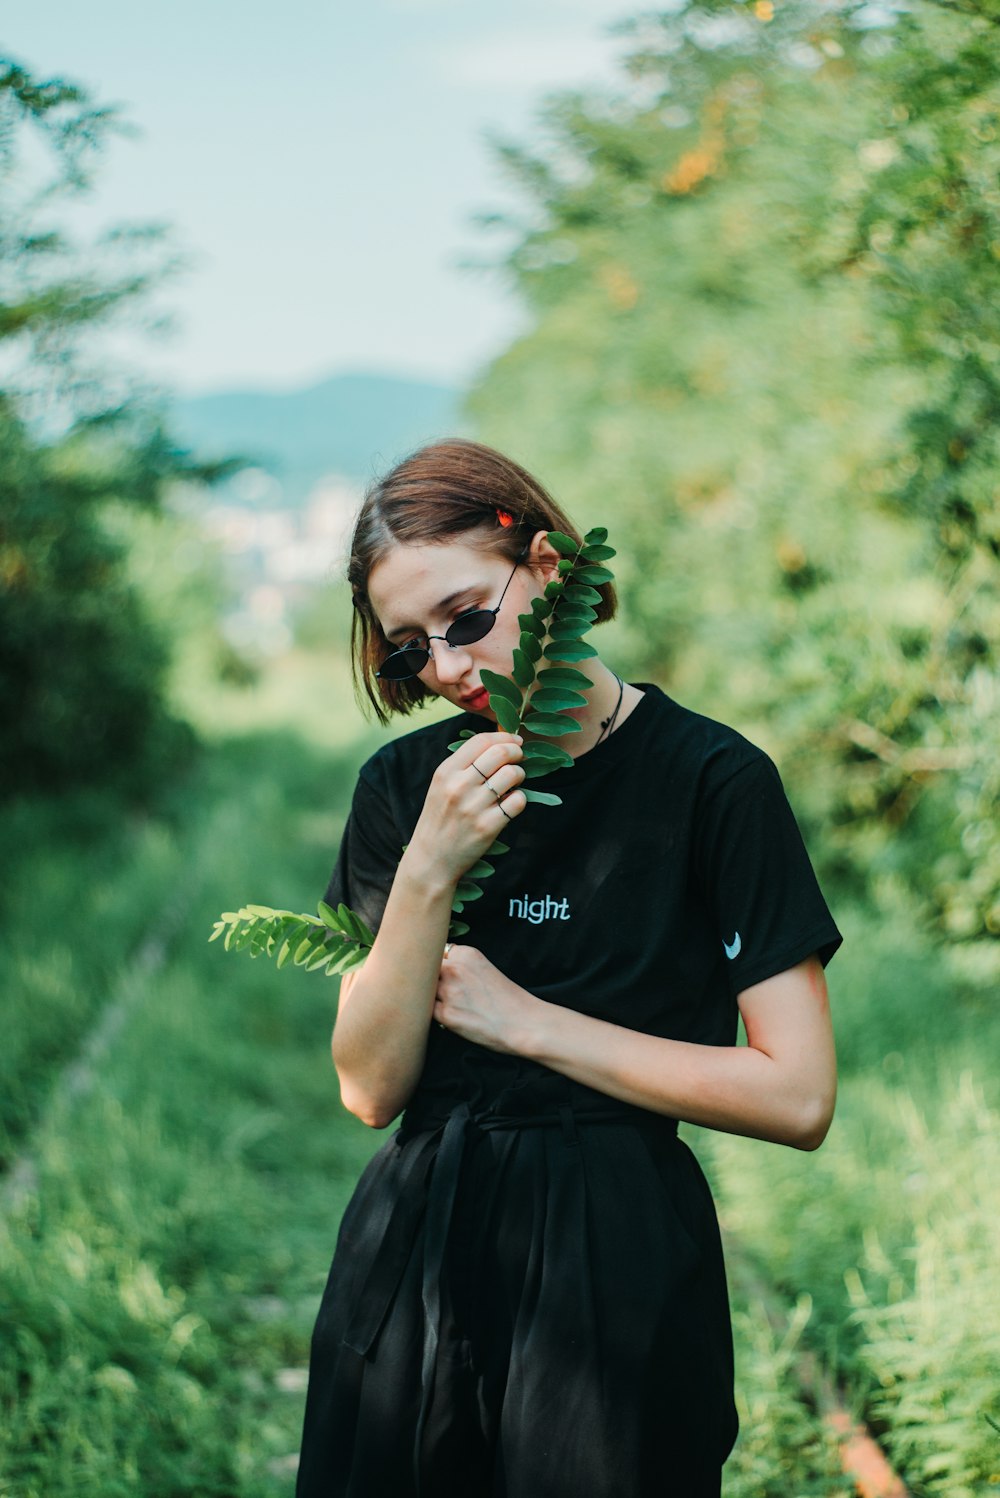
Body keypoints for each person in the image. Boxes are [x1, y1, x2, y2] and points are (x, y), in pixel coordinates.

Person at [294, 438, 841, 1498]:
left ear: (549, 568)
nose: (448, 668)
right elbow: (367, 1088)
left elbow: (799, 1091)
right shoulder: (403, 787)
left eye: (464, 618)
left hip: (617, 1264)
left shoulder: (711, 781)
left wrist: (523, 1020)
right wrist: (427, 869)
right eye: (410, 649)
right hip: (411, 1249)